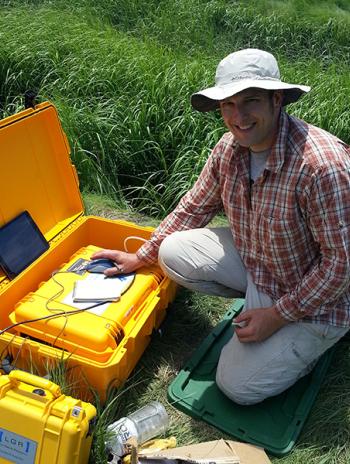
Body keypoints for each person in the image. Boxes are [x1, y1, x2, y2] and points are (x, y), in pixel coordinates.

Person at [93, 49, 350, 405]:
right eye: (227, 104)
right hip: (264, 266)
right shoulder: (229, 149)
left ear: (278, 100)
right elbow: (194, 207)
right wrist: (140, 256)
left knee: (236, 387)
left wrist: (276, 316)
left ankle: (311, 344)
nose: (238, 116)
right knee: (170, 252)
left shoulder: (321, 167)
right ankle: (266, 319)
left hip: (319, 298)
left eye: (251, 101)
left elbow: (341, 266)